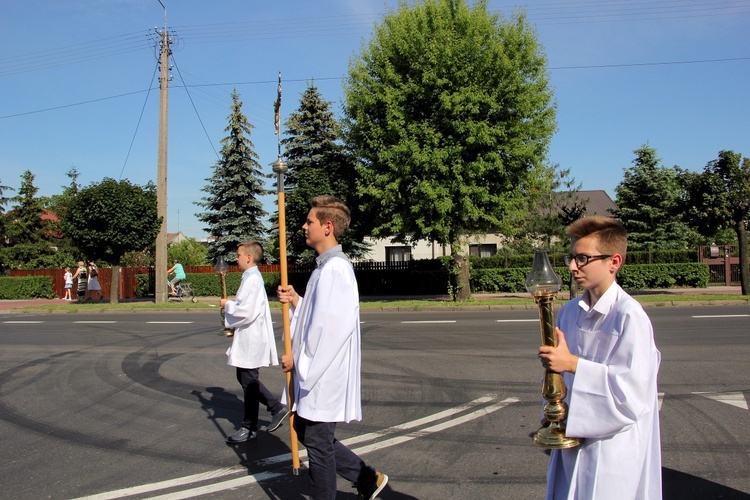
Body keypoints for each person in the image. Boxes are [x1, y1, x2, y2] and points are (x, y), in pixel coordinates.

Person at [538, 216, 661, 500]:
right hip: (571, 435)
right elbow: (559, 371)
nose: (572, 267)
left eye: (582, 258)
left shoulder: (629, 316)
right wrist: (552, 407)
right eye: (571, 257)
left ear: (614, 262)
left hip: (612, 448)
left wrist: (573, 364)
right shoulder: (570, 311)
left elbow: (631, 394)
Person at [277, 195, 388, 500]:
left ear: (327, 227)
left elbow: (329, 332)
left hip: (323, 374)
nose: (304, 226)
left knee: (318, 443)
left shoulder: (335, 270)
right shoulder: (324, 268)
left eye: (309, 221)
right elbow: (318, 317)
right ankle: (367, 479)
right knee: (306, 429)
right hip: (319, 372)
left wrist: (298, 361)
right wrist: (297, 300)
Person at [221, 241, 289, 444]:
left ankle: (249, 427)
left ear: (248, 257)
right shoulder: (250, 277)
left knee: (248, 381)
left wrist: (228, 305)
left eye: (239, 255)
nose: (237, 258)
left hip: (252, 337)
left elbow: (246, 311)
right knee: (245, 378)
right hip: (248, 335)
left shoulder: (252, 279)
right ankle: (276, 408)